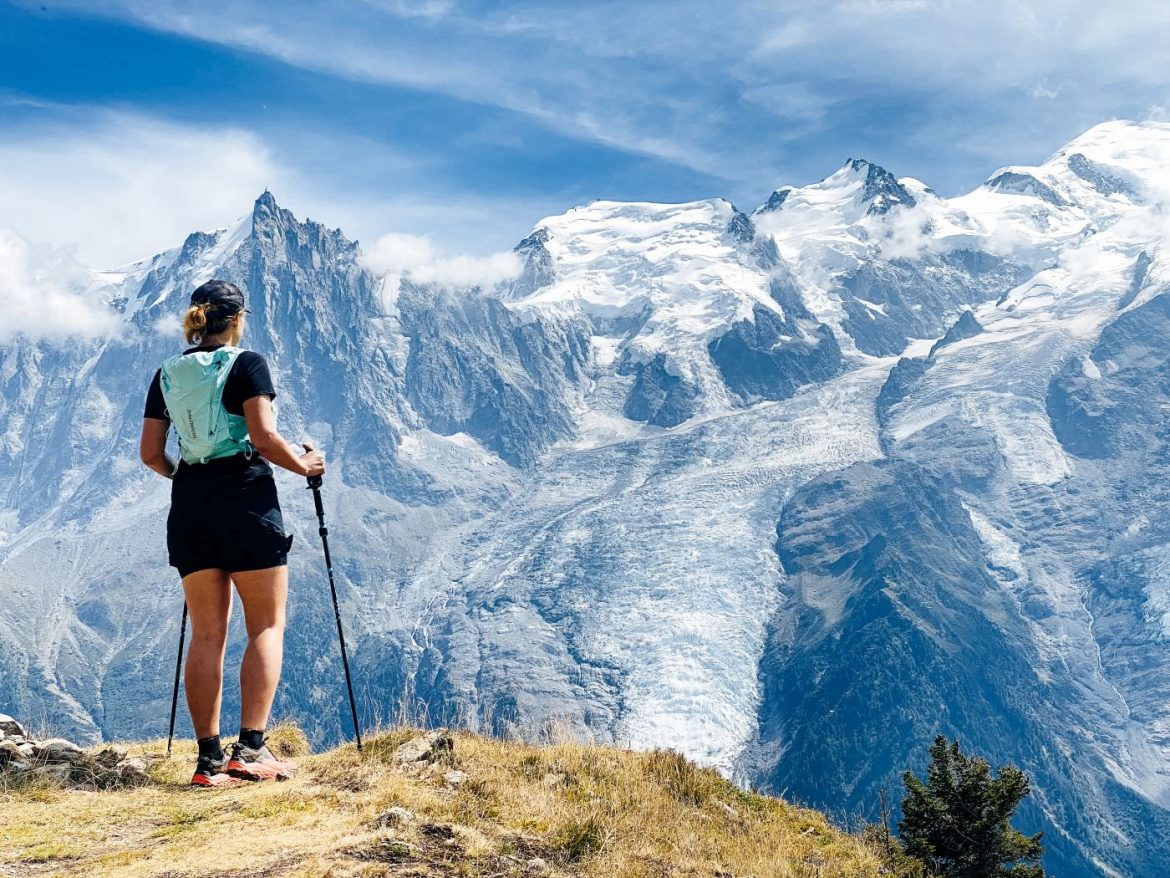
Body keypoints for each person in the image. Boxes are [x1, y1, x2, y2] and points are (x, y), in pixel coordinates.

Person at [139, 279, 325, 787]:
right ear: (237, 318)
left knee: (206, 634)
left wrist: (190, 478)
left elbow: (152, 455)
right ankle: (251, 749)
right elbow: (264, 438)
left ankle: (208, 761)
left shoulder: (166, 374)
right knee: (265, 624)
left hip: (191, 503)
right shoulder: (246, 364)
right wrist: (305, 467)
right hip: (245, 499)